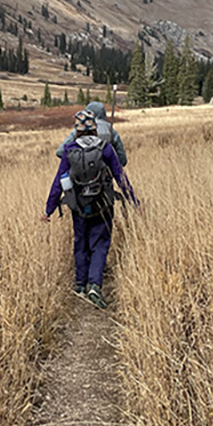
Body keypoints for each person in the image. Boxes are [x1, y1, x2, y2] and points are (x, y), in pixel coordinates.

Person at [42, 109, 138, 308]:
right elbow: (121, 178)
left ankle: (80, 284)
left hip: (78, 206)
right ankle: (95, 285)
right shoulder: (106, 148)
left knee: (80, 242)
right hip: (103, 205)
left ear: (77, 130)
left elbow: (58, 182)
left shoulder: (70, 150)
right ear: (94, 127)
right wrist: (133, 201)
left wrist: (48, 210)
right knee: (100, 244)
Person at [55, 100, 127, 167]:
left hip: (80, 177)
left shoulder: (80, 130)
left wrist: (76, 162)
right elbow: (122, 160)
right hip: (105, 177)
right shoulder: (111, 130)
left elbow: (60, 152)